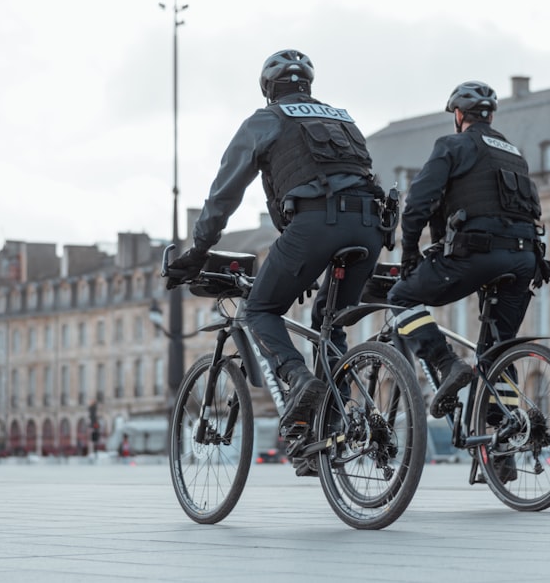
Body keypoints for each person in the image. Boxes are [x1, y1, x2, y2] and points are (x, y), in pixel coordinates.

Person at [166, 49, 387, 434]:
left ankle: (299, 378)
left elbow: (224, 195)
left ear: (269, 88)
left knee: (259, 310)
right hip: (371, 225)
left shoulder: (266, 119)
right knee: (330, 324)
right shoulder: (343, 118)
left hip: (317, 224)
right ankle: (329, 432)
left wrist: (197, 252)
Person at [388, 80, 550, 421]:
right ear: (491, 117)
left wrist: (409, 253)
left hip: (477, 253)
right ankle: (501, 444)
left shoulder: (452, 144)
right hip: (526, 260)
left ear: (459, 115)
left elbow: (419, 202)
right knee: (499, 350)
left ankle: (446, 363)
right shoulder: (515, 154)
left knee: (401, 298)